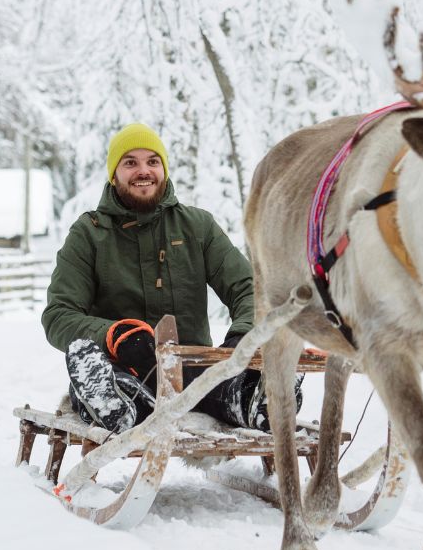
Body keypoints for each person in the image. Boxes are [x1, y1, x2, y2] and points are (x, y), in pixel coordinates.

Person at [41, 123, 290, 434]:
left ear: (164, 169)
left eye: (152, 162)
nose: (143, 171)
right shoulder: (89, 234)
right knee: (114, 384)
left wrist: (244, 335)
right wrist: (114, 335)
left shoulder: (197, 227)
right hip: (123, 367)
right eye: (130, 162)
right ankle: (114, 404)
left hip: (194, 368)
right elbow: (58, 316)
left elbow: (249, 288)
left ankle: (260, 399)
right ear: (114, 174)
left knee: (222, 385)